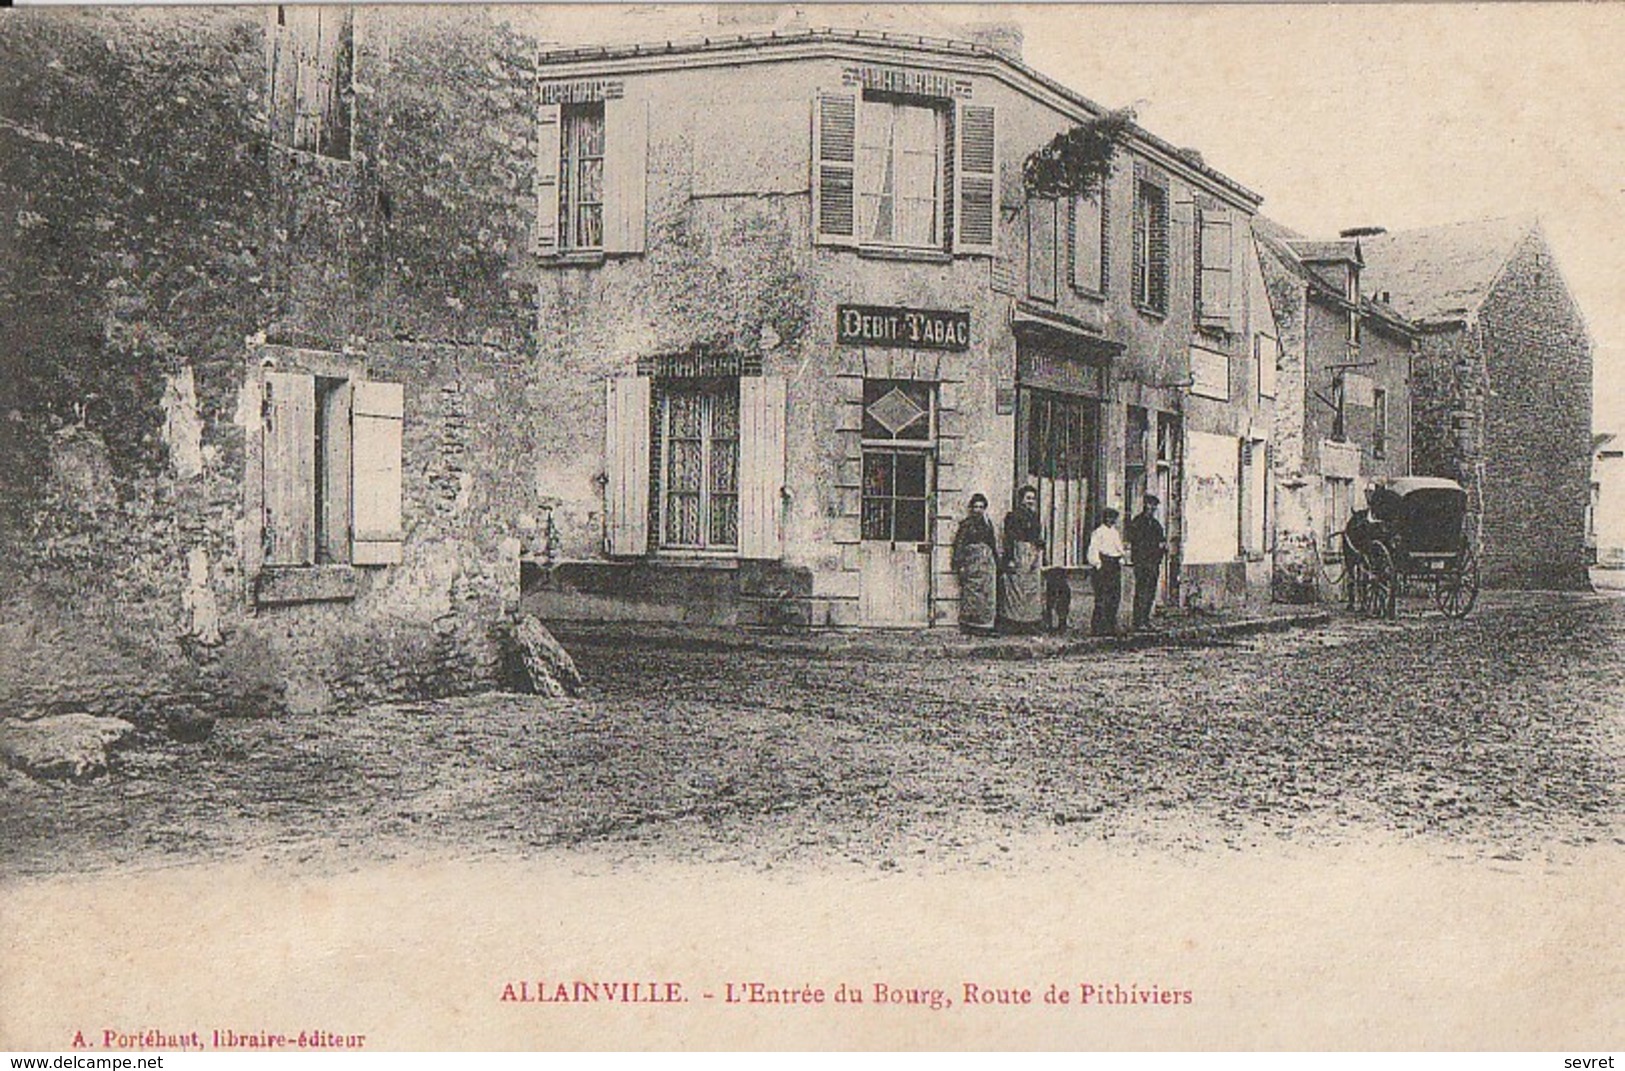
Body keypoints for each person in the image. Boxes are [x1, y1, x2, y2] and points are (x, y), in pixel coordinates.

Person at [950, 494, 999, 635]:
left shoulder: (988, 525)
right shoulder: (966, 525)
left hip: (986, 563)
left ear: (985, 509)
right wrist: (959, 563)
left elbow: (992, 543)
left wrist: (996, 561)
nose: (978, 510)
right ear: (971, 509)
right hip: (971, 562)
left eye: (981, 507)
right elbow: (959, 544)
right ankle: (970, 625)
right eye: (975, 507)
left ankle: (985, 626)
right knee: (971, 593)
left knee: (987, 594)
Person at [999, 486, 1045, 634]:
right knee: (1016, 588)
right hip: (1018, 552)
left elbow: (1037, 536)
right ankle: (1014, 622)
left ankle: (1029, 622)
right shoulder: (1012, 516)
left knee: (1031, 588)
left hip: (1032, 553)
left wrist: (1038, 548)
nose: (1030, 501)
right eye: (1027, 498)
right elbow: (1009, 538)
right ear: (1020, 500)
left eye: (1032, 498)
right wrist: (1010, 558)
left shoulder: (1035, 516)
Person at [1126, 494, 1167, 632]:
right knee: (1141, 591)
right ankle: (1138, 621)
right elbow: (1134, 541)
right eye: (1150, 504)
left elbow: (1162, 541)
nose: (1152, 508)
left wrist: (1160, 550)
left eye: (1154, 505)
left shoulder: (1156, 524)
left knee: (1150, 592)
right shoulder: (1137, 522)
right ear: (1145, 505)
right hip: (1142, 562)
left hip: (1153, 563)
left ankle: (1146, 619)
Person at [1087, 508, 1125, 636]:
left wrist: (1121, 560)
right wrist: (1098, 564)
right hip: (1103, 565)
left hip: (1114, 565)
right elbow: (1093, 549)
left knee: (1114, 596)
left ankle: (1110, 626)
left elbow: (1119, 549)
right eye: (1109, 517)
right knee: (1102, 597)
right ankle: (1098, 628)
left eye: (1114, 518)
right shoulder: (1098, 532)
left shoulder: (1115, 533)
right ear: (1104, 518)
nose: (1111, 520)